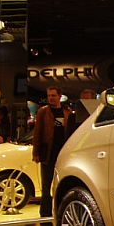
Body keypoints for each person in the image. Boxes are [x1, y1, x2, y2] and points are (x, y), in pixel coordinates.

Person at [32, 86, 72, 218]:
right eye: (49, 95)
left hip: (62, 155)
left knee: (61, 185)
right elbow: (37, 133)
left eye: (53, 95)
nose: (51, 98)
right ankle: (45, 213)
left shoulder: (67, 112)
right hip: (48, 154)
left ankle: (60, 212)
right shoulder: (43, 112)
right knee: (46, 186)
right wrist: (36, 153)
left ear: (60, 96)